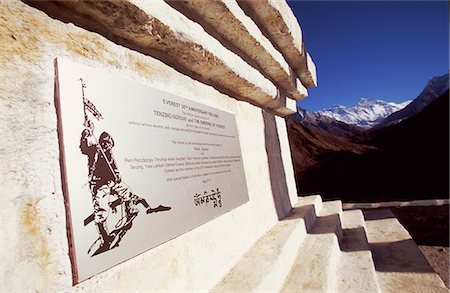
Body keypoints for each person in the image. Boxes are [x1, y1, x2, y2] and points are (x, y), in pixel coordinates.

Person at [80, 121, 139, 248]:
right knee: (101, 210)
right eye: (106, 144)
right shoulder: (94, 149)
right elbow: (84, 148)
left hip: (111, 182)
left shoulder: (109, 153)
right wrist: (86, 134)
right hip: (99, 184)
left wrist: (117, 175)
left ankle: (130, 210)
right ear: (102, 142)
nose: (108, 146)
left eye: (109, 144)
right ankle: (105, 237)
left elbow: (114, 166)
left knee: (126, 190)